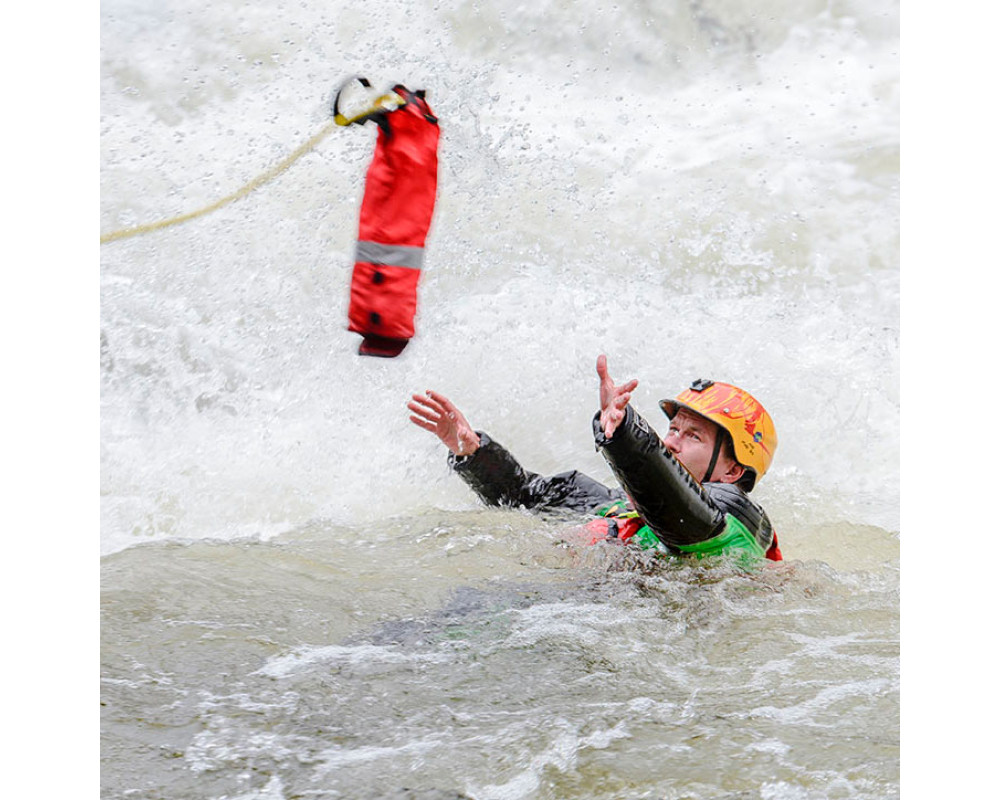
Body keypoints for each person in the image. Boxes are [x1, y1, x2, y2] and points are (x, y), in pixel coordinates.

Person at [407, 355, 781, 562]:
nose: (671, 444)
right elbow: (525, 497)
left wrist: (624, 435)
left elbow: (682, 515)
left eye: (693, 436)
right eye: (673, 430)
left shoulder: (738, 523)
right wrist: (473, 453)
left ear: (733, 469)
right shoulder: (615, 509)